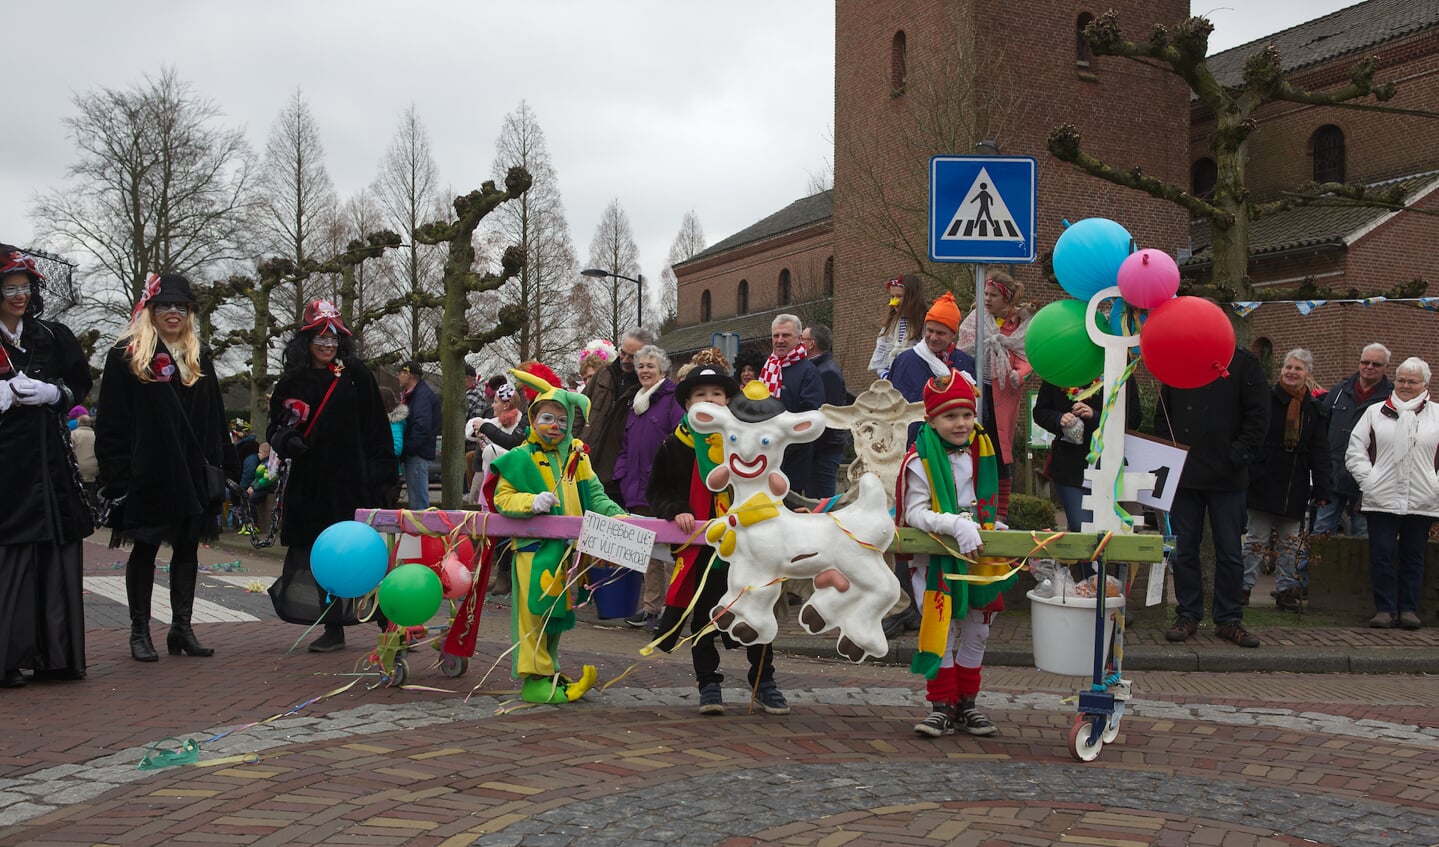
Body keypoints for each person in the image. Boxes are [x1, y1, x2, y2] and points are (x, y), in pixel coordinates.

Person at [95, 273, 237, 663]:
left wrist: (226, 467)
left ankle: (182, 627)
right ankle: (140, 631)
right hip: (150, 472)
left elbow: (215, 417)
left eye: (181, 306)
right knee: (144, 549)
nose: (173, 313)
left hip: (193, 472)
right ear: (150, 310)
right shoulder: (127, 355)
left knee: (188, 549)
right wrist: (118, 472)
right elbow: (112, 420)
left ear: (190, 312)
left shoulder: (199, 355)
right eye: (164, 306)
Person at [649, 360, 790, 716]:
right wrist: (678, 507)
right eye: (701, 395)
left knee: (755, 610)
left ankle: (763, 681)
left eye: (717, 395)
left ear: (729, 401)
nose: (709, 401)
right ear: (687, 403)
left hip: (746, 544)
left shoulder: (746, 440)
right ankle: (709, 684)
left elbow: (768, 480)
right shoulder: (673, 444)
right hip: (702, 547)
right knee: (705, 617)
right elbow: (658, 489)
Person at [266, 300, 398, 652]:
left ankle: (389, 621)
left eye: (333, 340)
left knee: (362, 551)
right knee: (320, 552)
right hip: (311, 482)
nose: (327, 346)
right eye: (320, 339)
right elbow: (275, 427)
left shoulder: (356, 375)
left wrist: (385, 474)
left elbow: (376, 428)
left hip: (353, 479)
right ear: (305, 341)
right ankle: (332, 627)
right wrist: (286, 439)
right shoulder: (291, 381)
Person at [489, 367, 624, 703]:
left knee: (554, 615)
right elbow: (502, 499)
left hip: (568, 551)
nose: (556, 426)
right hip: (534, 550)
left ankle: (549, 671)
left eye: (563, 421)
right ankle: (536, 679)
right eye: (548, 418)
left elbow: (594, 495)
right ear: (533, 420)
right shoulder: (520, 458)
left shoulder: (576, 456)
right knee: (534, 613)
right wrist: (530, 502)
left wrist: (619, 516)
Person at [896, 369, 1009, 737]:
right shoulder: (919, 460)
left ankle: (968, 704)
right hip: (935, 561)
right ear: (931, 419)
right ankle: (941, 705)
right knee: (941, 630)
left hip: (981, 556)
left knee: (977, 632)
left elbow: (989, 503)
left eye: (966, 414)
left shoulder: (984, 450)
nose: (960, 423)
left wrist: (995, 527)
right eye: (950, 416)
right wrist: (955, 524)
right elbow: (914, 512)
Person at [0, 249, 93, 687]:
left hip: (49, 462)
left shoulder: (50, 337)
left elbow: (79, 384)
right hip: (6, 467)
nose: (20, 295)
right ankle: (6, 657)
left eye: (25, 286)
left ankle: (55, 654)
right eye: (9, 287)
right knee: (10, 552)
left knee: (55, 549)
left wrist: (54, 393)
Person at [1155, 345, 1269, 648]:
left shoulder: (1244, 363)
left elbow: (1259, 415)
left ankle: (1229, 618)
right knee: (1184, 549)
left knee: (1230, 551)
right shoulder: (1180, 361)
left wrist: (1237, 455)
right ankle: (1188, 613)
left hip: (1228, 476)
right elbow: (1162, 414)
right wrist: (1168, 456)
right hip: (1185, 474)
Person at [1345, 356, 1439, 630]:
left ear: (1425, 384)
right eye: (1401, 380)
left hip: (1422, 498)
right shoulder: (1375, 413)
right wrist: (1370, 480)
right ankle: (1384, 609)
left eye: (1412, 381)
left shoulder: (1437, 415)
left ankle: (1408, 609)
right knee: (1382, 553)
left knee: (1413, 555)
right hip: (1381, 497)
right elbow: (1355, 451)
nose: (1405, 385)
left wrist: (1435, 484)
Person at [1242, 349, 1330, 610]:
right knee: (1255, 539)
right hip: (1263, 478)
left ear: (1308, 374)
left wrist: (1323, 488)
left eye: (1298, 368)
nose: (1292, 372)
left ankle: (1286, 590)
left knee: (1291, 544)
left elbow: (1320, 450)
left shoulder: (1314, 409)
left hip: (1295, 483)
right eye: (1288, 367)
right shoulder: (1266, 400)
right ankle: (1243, 587)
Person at [613, 345, 684, 630]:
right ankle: (650, 606)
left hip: (663, 489)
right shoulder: (636, 403)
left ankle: (672, 607)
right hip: (637, 488)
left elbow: (680, 441)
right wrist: (621, 475)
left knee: (669, 553)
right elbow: (627, 446)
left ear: (663, 371)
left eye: (650, 366)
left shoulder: (672, 399)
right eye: (641, 366)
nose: (644, 371)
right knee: (648, 551)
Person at [1032, 376, 1141, 559]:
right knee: (1082, 530)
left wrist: (1096, 416)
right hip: (1070, 467)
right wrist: (1059, 418)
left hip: (1109, 468)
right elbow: (1041, 411)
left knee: (1111, 534)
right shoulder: (1059, 367)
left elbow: (1134, 417)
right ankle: (1089, 583)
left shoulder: (1119, 365)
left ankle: (1105, 585)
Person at [957, 269, 1032, 520]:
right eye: (985, 293)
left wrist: (1019, 375)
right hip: (977, 389)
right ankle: (971, 504)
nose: (987, 299)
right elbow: (963, 350)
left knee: (1000, 449)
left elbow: (1027, 354)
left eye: (993, 295)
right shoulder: (976, 319)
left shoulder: (1019, 323)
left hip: (1003, 391)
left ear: (1007, 299)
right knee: (973, 444)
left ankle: (1000, 513)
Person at [1317, 343, 1393, 538]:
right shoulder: (1339, 392)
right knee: (1320, 533)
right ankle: (1310, 569)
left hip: (1367, 483)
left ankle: (1361, 570)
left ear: (1386, 367)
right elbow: (1321, 430)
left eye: (1376, 364)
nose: (1369, 367)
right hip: (1334, 476)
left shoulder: (1391, 399)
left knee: (1363, 536)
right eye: (1365, 362)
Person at [887, 291, 976, 446]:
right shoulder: (904, 362)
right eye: (930, 331)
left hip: (955, 448)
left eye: (940, 333)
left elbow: (978, 412)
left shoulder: (966, 364)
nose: (933, 337)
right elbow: (890, 406)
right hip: (912, 446)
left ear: (953, 334)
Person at [583, 328, 651, 502]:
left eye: (632, 357)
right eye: (623, 353)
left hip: (615, 476)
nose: (625, 360)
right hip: (586, 464)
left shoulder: (645, 387)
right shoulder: (603, 373)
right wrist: (576, 436)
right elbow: (579, 406)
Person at [760, 314, 825, 495]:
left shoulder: (809, 372)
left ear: (799, 339)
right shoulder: (768, 367)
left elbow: (809, 415)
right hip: (763, 455)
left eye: (785, 335)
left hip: (792, 460)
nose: (779, 340)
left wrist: (784, 442)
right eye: (775, 336)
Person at [801, 324, 850, 499]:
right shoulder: (817, 369)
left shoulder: (827, 372)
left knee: (821, 502)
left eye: (802, 339)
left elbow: (828, 415)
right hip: (818, 450)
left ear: (811, 344)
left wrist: (812, 449)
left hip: (824, 452)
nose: (799, 342)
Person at [396, 360, 440, 509]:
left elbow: (422, 427)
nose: (398, 377)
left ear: (408, 374)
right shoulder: (416, 395)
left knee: (419, 503)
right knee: (416, 499)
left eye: (400, 373)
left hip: (417, 455)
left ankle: (425, 531)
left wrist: (406, 448)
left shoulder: (421, 396)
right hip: (416, 453)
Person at [867, 273, 928, 379]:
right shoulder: (890, 326)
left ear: (912, 297)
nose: (894, 301)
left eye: (899, 296)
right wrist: (887, 376)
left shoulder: (927, 323)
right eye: (892, 296)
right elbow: (881, 355)